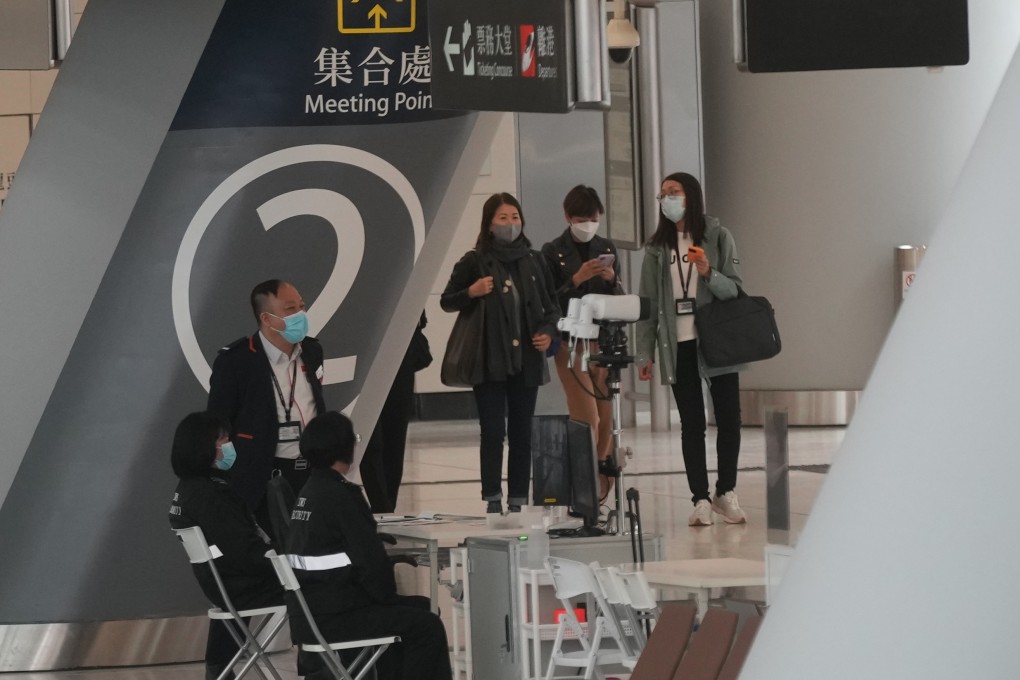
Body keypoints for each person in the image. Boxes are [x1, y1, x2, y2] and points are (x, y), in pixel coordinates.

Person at [287, 412, 452, 680]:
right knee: (427, 625)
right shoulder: (342, 496)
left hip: (308, 614)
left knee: (415, 611)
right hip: (337, 615)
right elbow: (371, 565)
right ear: (344, 448)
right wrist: (389, 598)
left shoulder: (308, 493)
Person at [635, 172, 747, 526]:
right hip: (677, 345)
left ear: (691, 196)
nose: (667, 199)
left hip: (717, 342)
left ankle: (725, 492)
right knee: (692, 424)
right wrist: (644, 352)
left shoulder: (718, 236)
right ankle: (699, 498)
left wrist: (708, 271)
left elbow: (735, 290)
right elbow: (648, 306)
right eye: (663, 194)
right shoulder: (656, 250)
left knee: (729, 419)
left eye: (674, 192)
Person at [440, 192, 561, 514]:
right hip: (488, 359)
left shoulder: (535, 261)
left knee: (522, 433)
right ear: (489, 224)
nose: (511, 224)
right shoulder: (474, 261)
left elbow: (552, 307)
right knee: (493, 431)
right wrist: (471, 291)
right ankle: (492, 497)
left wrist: (548, 333)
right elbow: (447, 300)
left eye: (515, 217)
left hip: (527, 362)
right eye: (503, 218)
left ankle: (519, 499)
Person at [168, 411, 284, 680]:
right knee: (321, 583)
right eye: (223, 440)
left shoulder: (189, 489)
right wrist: (286, 558)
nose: (229, 445)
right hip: (244, 584)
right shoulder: (211, 496)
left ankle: (219, 664)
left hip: (224, 583)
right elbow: (246, 553)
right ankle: (322, 665)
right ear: (204, 447)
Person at [207, 279, 327, 535]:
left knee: (314, 543)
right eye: (290, 309)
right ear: (267, 318)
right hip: (264, 472)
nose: (300, 315)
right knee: (274, 546)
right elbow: (218, 417)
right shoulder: (237, 360)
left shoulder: (313, 351)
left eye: (302, 307)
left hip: (312, 471)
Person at [540, 185, 623, 500]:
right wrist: (575, 278)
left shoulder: (606, 246)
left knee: (607, 410)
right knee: (587, 413)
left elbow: (617, 297)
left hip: (602, 338)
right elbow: (548, 301)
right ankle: (583, 475)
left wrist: (610, 279)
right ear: (567, 217)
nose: (587, 224)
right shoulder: (552, 251)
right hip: (570, 340)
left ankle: (600, 468)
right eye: (580, 218)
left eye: (592, 218)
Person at [360, 311, 431, 514]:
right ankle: (381, 508)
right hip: (367, 358)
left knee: (395, 439)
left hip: (400, 357)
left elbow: (419, 316)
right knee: (372, 442)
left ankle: (388, 508)